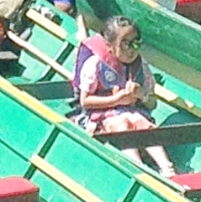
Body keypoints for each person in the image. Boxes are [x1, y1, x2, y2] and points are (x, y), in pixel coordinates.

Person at [75, 16, 175, 176]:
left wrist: (142, 95)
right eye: (126, 44)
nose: (132, 49)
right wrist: (115, 100)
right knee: (122, 124)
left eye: (136, 43)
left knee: (142, 123)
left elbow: (152, 104)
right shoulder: (95, 64)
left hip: (134, 112)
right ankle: (138, 167)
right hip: (102, 115)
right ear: (110, 46)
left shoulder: (141, 66)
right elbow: (85, 101)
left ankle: (166, 167)